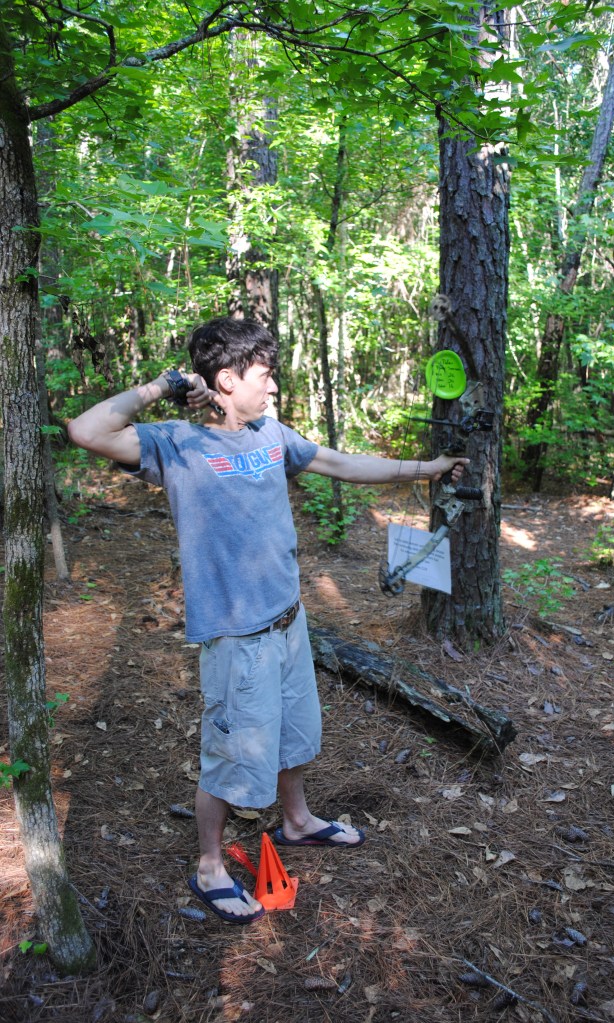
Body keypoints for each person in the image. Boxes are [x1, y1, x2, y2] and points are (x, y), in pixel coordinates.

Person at [68, 317, 469, 925]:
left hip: (290, 623)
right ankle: (210, 867)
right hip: (237, 636)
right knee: (228, 757)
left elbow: (340, 463)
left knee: (296, 735)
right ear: (227, 380)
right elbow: (86, 430)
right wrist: (166, 384)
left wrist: (427, 468)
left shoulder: (269, 434)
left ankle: (298, 820)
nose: (275, 385)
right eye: (264, 374)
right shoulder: (176, 444)